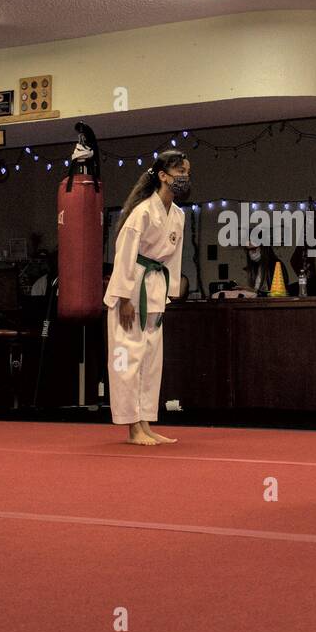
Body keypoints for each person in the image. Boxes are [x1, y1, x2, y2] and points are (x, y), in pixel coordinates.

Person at [104, 150, 189, 446]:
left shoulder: (178, 215)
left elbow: (173, 258)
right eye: (179, 172)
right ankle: (132, 429)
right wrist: (124, 297)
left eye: (186, 173)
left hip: (154, 290)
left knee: (151, 360)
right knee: (129, 359)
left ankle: (146, 423)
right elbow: (124, 253)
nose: (184, 178)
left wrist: (170, 293)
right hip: (132, 287)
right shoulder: (142, 212)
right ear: (163, 176)